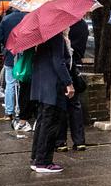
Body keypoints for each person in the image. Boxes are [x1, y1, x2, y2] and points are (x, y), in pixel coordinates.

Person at [28, 31, 75, 173]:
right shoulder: (56, 37)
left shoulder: (42, 37)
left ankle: (36, 158)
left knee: (42, 122)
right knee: (50, 124)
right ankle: (44, 162)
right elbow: (58, 62)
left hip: (42, 86)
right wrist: (69, 83)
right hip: (53, 88)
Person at [0, 5, 34, 134]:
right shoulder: (29, 18)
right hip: (24, 58)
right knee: (23, 86)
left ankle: (9, 112)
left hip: (9, 55)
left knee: (10, 84)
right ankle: (21, 112)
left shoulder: (6, 19)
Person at [57, 19, 90, 152]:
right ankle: (79, 140)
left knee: (61, 108)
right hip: (75, 68)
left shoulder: (60, 30)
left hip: (64, 72)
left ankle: (60, 142)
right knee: (75, 106)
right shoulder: (82, 24)